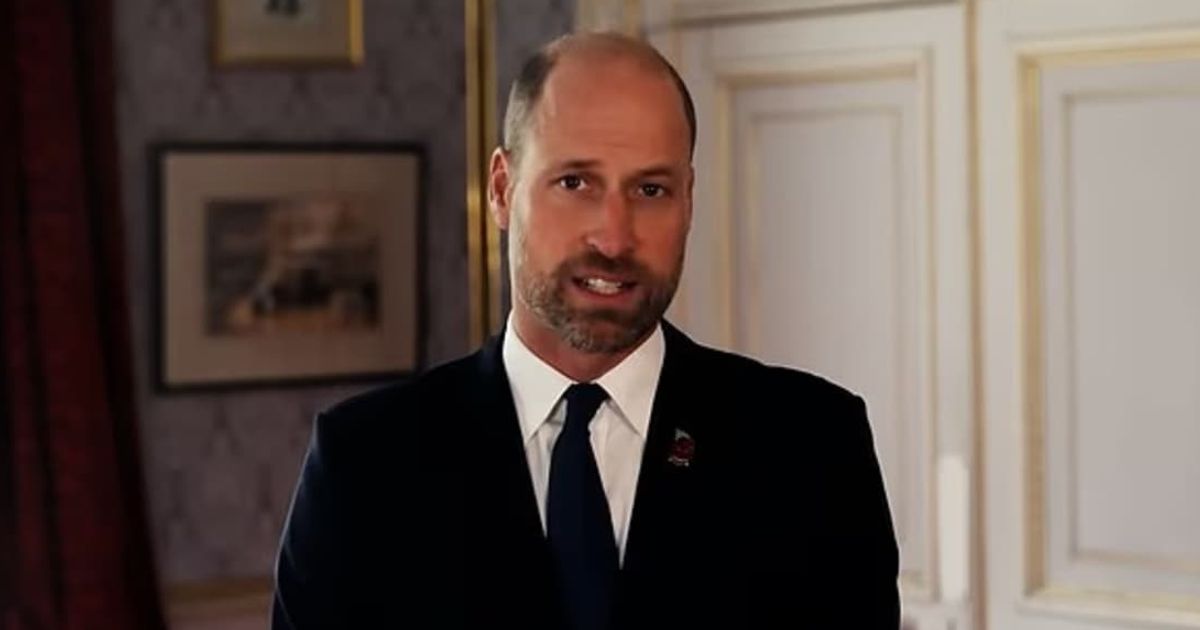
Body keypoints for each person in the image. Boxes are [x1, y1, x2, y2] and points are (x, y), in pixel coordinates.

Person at [272, 32, 899, 629]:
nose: (614, 237)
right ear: (501, 190)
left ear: (688, 200)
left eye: (650, 189)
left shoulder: (810, 446)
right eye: (575, 183)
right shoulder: (365, 466)